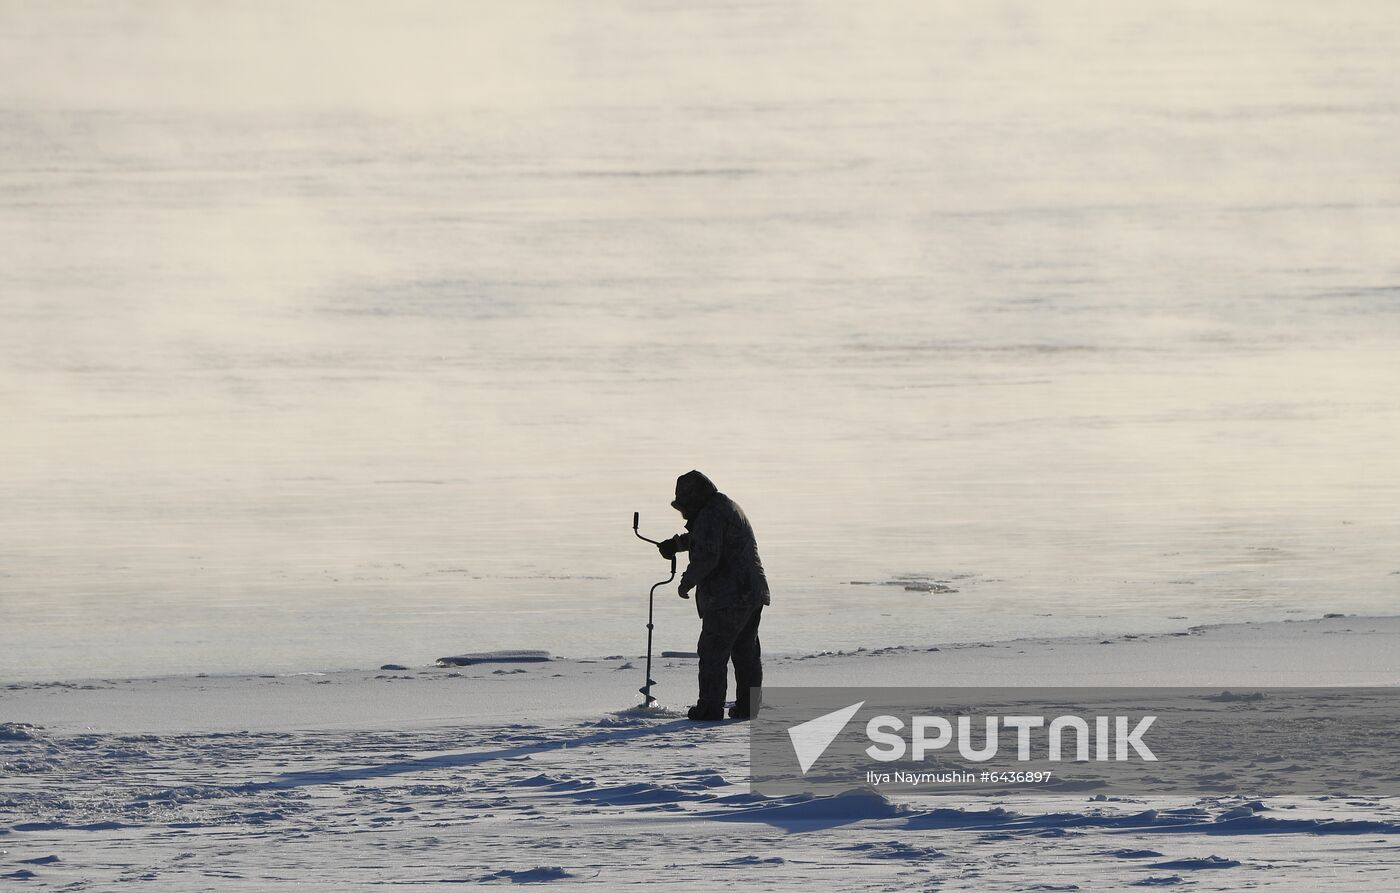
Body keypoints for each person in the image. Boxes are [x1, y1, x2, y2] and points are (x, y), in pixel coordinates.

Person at [657, 471, 770, 721]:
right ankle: (748, 708)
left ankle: (709, 709)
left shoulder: (711, 513)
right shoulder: (722, 507)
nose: (683, 513)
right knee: (745, 652)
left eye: (684, 507)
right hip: (751, 591)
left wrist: (686, 582)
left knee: (712, 652)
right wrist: (675, 544)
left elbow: (708, 554)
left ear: (695, 500)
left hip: (729, 596)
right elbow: (705, 539)